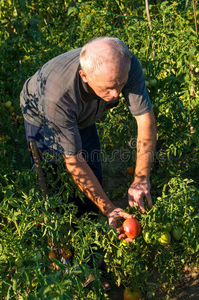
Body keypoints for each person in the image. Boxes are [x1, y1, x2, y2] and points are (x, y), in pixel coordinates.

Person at [20, 37, 156, 240]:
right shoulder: (58, 98)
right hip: (42, 118)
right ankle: (65, 248)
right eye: (109, 88)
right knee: (56, 188)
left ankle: (94, 232)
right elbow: (74, 161)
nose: (117, 95)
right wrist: (109, 207)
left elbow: (145, 120)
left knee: (92, 172)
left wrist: (141, 179)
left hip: (82, 114)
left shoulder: (125, 64)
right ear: (84, 76)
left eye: (120, 85)